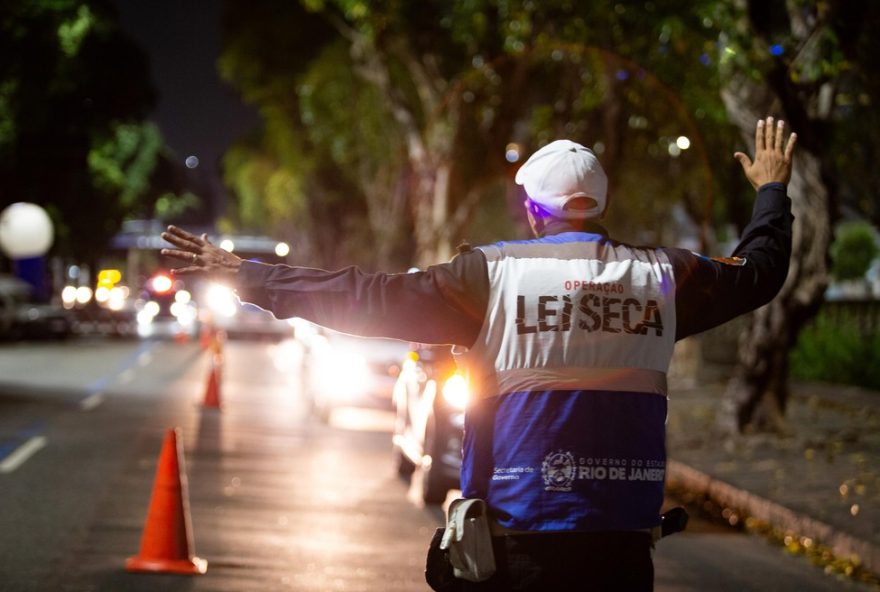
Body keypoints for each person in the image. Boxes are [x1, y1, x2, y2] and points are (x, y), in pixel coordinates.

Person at [161, 117, 796, 591]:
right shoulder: (660, 277)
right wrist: (770, 191)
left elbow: (366, 297)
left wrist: (249, 276)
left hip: (517, 545)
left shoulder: (492, 275)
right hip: (622, 553)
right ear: (600, 205)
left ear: (532, 210)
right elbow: (759, 273)